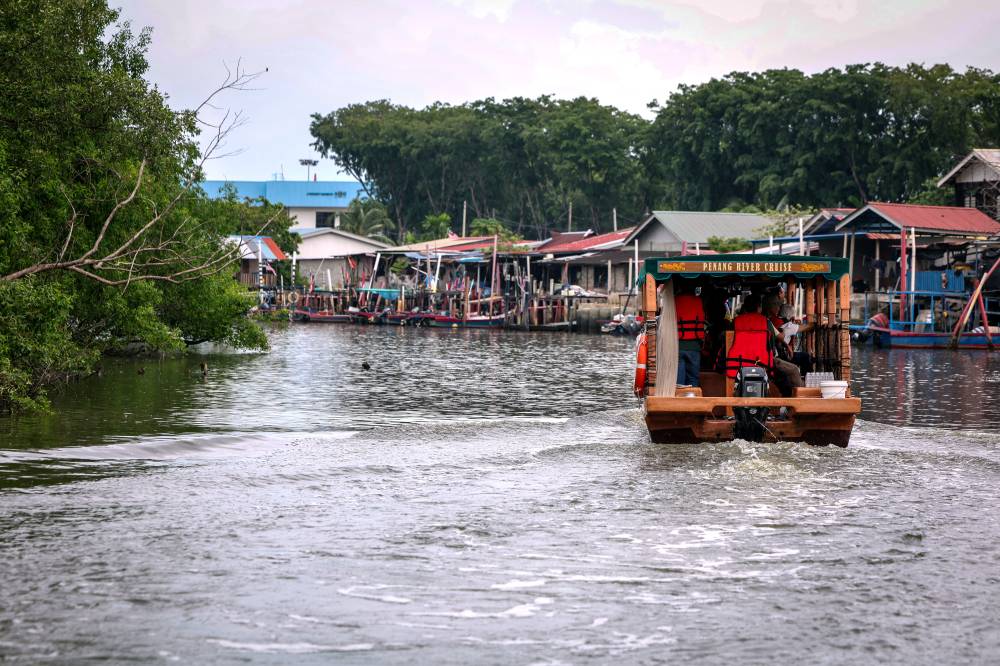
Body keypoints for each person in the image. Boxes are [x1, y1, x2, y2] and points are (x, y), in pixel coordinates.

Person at [726, 293, 803, 397]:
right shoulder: (765, 322)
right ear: (759, 307)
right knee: (793, 370)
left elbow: (726, 339)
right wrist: (786, 330)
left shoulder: (736, 322)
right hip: (762, 363)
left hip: (739, 363)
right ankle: (796, 402)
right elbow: (779, 337)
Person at [674, 283, 707, 387]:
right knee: (693, 378)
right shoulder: (698, 301)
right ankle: (692, 399)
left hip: (678, 346)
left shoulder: (675, 301)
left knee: (679, 380)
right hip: (694, 347)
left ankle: (679, 401)